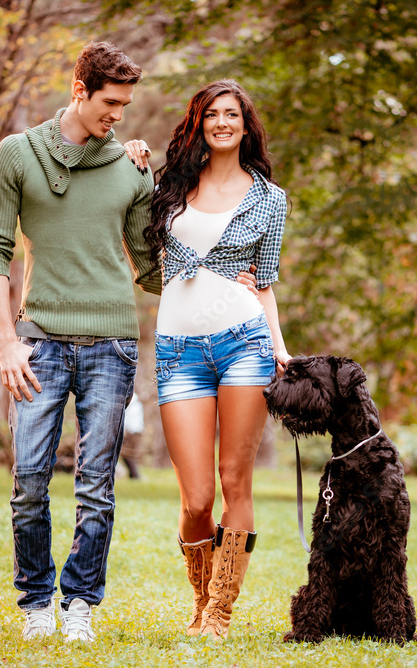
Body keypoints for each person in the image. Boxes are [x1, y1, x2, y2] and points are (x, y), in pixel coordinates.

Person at [0, 42, 170, 644]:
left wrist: (223, 278)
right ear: (79, 89)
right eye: (110, 102)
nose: (119, 114)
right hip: (37, 340)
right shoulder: (16, 155)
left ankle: (80, 602)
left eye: (126, 104)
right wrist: (7, 342)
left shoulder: (132, 167)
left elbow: (150, 264)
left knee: (97, 485)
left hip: (112, 342)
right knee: (30, 479)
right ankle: (37, 601)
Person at [136, 79, 291, 640]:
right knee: (196, 497)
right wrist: (131, 160)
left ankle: (218, 614)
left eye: (232, 114)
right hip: (178, 350)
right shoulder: (169, 188)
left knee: (234, 483)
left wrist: (277, 345)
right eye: (212, 115)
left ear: (246, 125)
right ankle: (199, 601)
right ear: (198, 124)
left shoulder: (270, 199)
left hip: (243, 344)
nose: (222, 122)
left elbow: (266, 281)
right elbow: (135, 239)